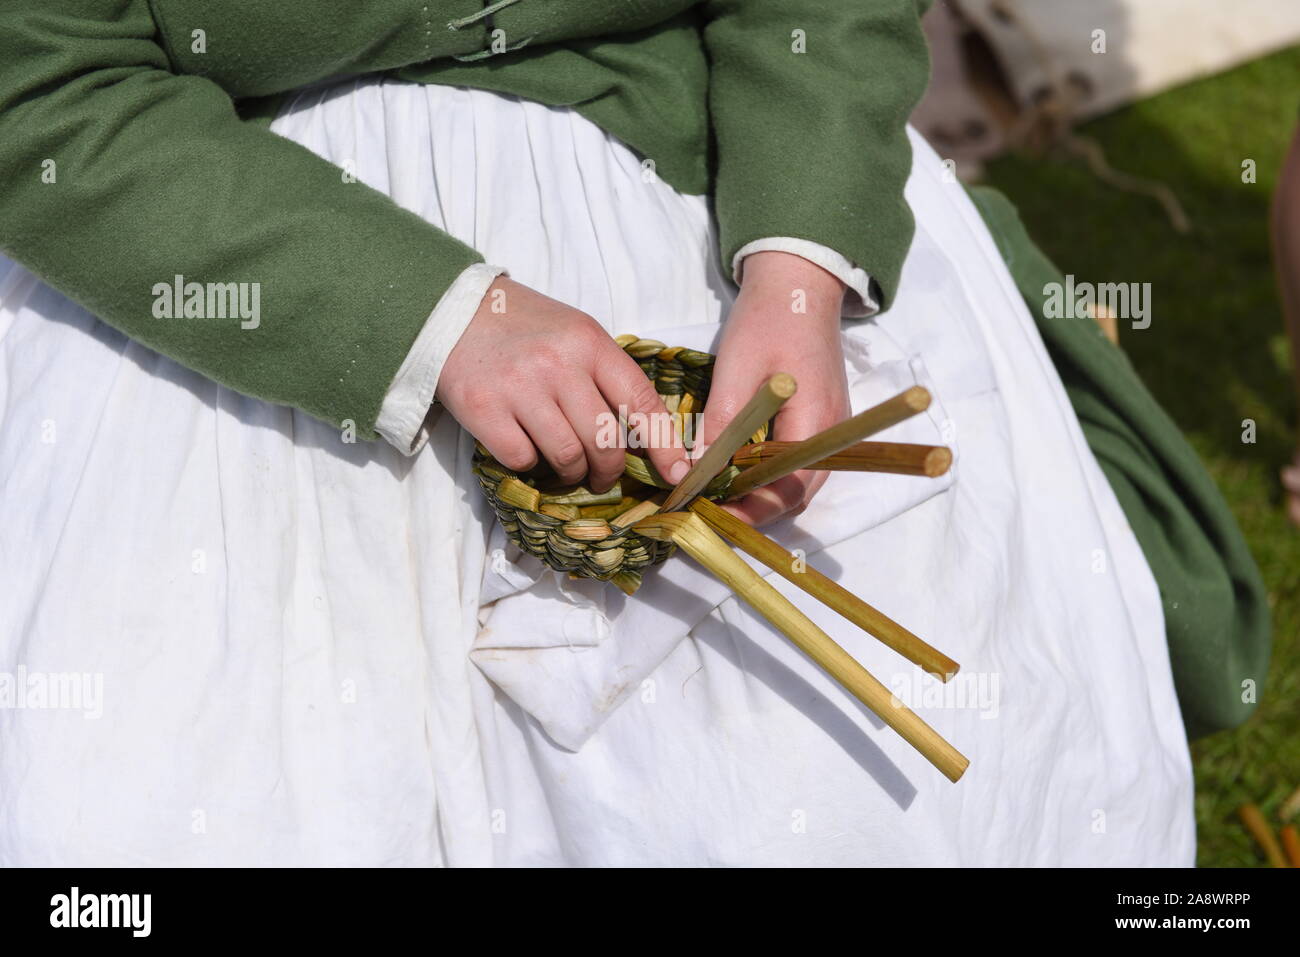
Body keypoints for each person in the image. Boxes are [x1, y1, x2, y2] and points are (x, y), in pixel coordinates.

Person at [0, 0, 1250, 865]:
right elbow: (39, 81)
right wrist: (432, 317)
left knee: (863, 796)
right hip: (220, 221)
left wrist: (796, 272)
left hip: (709, 151)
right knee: (147, 808)